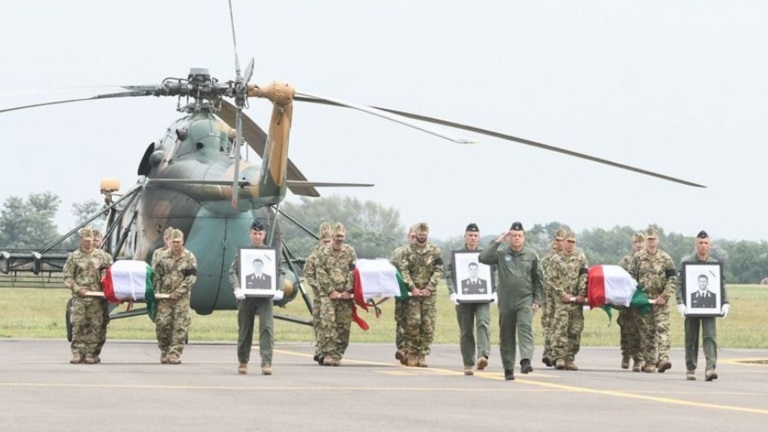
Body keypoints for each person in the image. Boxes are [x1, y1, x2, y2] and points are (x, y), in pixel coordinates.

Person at [478, 222, 543, 381]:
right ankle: (508, 368)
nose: (516, 238)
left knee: (524, 327)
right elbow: (483, 257)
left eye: (519, 235)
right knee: (506, 334)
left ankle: (525, 360)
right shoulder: (501, 254)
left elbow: (538, 279)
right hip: (506, 301)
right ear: (509, 237)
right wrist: (498, 240)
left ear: (524, 237)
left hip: (525, 299)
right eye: (513, 235)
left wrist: (538, 299)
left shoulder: (531, 255)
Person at [676, 230, 730, 381]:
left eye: (706, 243)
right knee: (691, 337)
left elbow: (721, 285)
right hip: (691, 306)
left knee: (710, 337)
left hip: (709, 306)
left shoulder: (714, 264)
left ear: (710, 245)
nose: (703, 246)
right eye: (700, 243)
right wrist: (680, 303)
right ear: (696, 244)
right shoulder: (687, 263)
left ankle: (710, 368)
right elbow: (679, 284)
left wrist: (725, 302)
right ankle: (691, 368)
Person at [229, 220, 280, 375]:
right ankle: (243, 361)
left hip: (265, 298)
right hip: (246, 297)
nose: (257, 236)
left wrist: (280, 289)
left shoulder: (271, 254)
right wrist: (237, 287)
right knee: (245, 329)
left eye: (260, 233)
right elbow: (232, 272)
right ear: (249, 234)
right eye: (254, 233)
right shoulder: (243, 254)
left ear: (264, 235)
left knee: (267, 329)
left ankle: (266, 363)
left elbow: (281, 271)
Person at [445, 223, 492, 376]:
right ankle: (468, 363)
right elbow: (449, 274)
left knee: (483, 323)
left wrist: (494, 290)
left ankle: (482, 355)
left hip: (482, 297)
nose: (472, 238)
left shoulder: (486, 254)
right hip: (463, 298)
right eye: (470, 235)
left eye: (475, 235)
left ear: (479, 237)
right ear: (465, 236)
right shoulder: (458, 256)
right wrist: (452, 292)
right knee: (466, 330)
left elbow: (494, 272)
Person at [628, 226, 676, 373]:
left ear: (658, 240)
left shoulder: (666, 259)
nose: (651, 242)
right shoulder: (638, 258)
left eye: (653, 239)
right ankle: (650, 361)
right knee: (647, 331)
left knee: (662, 329)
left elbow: (672, 279)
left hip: (660, 301)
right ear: (645, 240)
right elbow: (631, 277)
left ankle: (663, 358)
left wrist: (664, 296)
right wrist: (636, 296)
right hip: (644, 302)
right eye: (649, 239)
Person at [63, 227, 113, 364]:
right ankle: (78, 353)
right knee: (78, 324)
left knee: (95, 326)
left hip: (96, 298)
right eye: (86, 240)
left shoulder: (101, 256)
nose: (89, 243)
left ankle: (91, 353)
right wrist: (77, 289)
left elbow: (108, 271)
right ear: (81, 240)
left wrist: (104, 280)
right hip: (80, 297)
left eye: (91, 240)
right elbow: (68, 277)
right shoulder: (74, 257)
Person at [397, 222, 443, 368]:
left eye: (424, 235)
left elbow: (438, 270)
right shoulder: (407, 251)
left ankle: (422, 354)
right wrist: (412, 287)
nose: (422, 237)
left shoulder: (435, 250)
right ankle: (411, 353)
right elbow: (404, 271)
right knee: (413, 323)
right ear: (415, 234)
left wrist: (429, 287)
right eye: (419, 235)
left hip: (429, 294)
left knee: (427, 324)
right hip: (413, 293)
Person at [313, 223, 358, 366]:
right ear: (332, 236)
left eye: (342, 236)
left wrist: (348, 290)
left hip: (345, 295)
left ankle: (337, 354)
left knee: (343, 326)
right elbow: (320, 272)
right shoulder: (323, 252)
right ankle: (327, 353)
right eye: (337, 236)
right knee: (328, 323)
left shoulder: (350, 252)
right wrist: (330, 290)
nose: (339, 239)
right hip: (328, 295)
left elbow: (353, 271)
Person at [152, 228, 197, 365]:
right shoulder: (161, 257)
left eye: (178, 242)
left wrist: (177, 293)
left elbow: (191, 278)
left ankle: (175, 353)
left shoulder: (189, 257)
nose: (176, 244)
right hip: (164, 297)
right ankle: (164, 350)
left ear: (182, 241)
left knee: (180, 326)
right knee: (162, 325)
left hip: (181, 298)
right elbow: (156, 276)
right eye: (173, 242)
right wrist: (158, 293)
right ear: (169, 242)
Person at [547, 230, 588, 371]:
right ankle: (559, 357)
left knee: (575, 329)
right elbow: (551, 279)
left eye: (573, 242)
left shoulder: (580, 258)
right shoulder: (556, 259)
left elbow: (584, 275)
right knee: (560, 328)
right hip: (562, 301)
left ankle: (570, 358)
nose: (571, 245)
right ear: (562, 242)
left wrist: (582, 293)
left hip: (576, 301)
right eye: (568, 241)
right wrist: (562, 293)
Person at [303, 222, 333, 364]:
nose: (327, 244)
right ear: (320, 241)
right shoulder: (314, 255)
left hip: (334, 297)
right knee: (319, 323)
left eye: (329, 241)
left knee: (331, 324)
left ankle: (328, 350)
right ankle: (320, 348)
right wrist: (319, 288)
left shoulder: (337, 253)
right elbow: (309, 274)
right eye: (325, 241)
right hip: (319, 296)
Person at [617, 232, 645, 371]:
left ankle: (638, 359)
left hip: (642, 303)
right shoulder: (625, 261)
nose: (639, 245)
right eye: (636, 242)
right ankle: (626, 354)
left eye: (641, 242)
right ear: (632, 244)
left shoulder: (647, 260)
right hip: (627, 302)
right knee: (626, 330)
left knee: (640, 331)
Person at [390, 224, 418, 364]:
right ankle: (402, 348)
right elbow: (391, 271)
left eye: (416, 237)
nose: (414, 239)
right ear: (408, 238)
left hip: (416, 294)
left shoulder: (422, 253)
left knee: (413, 323)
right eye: (412, 236)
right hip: (401, 292)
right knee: (401, 321)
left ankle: (410, 350)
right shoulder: (399, 252)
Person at [540, 227, 567, 368]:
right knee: (548, 325)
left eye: (563, 240)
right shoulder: (546, 259)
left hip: (562, 298)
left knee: (560, 326)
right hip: (548, 298)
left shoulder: (569, 258)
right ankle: (548, 352)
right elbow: (540, 278)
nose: (560, 243)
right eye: (558, 240)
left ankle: (558, 355)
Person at [91, 229, 113, 363]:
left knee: (100, 325)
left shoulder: (106, 257)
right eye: (91, 240)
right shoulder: (76, 256)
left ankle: (94, 353)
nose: (94, 243)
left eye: (96, 240)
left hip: (101, 297)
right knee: (82, 325)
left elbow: (110, 276)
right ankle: (80, 353)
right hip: (84, 296)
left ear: (101, 241)